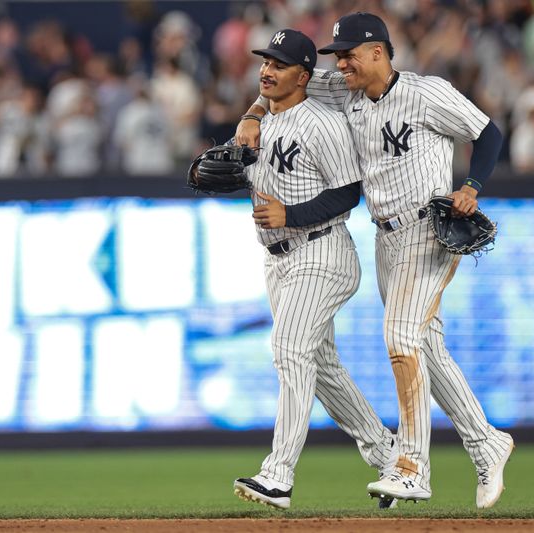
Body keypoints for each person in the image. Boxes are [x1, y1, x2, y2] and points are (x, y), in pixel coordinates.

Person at [236, 12, 514, 509]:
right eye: (336, 55)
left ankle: (412, 467)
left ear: (378, 53)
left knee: (401, 338)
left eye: (348, 54)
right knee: (424, 344)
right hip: (386, 239)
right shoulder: (342, 89)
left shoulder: (427, 92)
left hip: (429, 230)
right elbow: (279, 81)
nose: (339, 62)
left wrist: (472, 186)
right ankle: (485, 441)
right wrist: (253, 116)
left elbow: (488, 133)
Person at [231, 28, 398, 510]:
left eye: (279, 64)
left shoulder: (321, 122)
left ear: (303, 75)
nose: (267, 70)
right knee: (320, 365)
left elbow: (349, 191)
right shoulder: (258, 121)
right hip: (278, 259)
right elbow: (239, 173)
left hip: (321, 252)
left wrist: (292, 214)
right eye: (266, 61)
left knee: (288, 348)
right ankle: (388, 453)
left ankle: (278, 475)